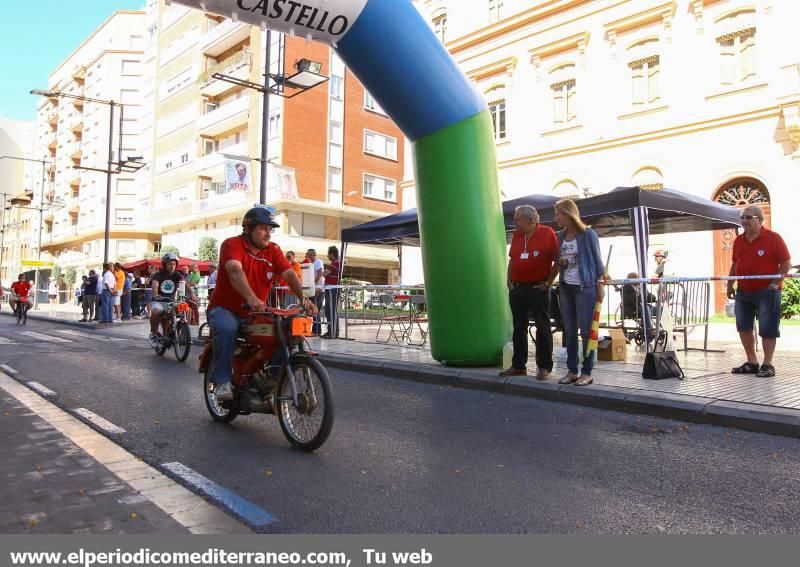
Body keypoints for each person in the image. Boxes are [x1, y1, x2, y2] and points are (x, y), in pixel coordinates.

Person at [207, 207, 315, 402]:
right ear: (248, 228)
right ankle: (222, 381)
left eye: (270, 229)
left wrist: (304, 298)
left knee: (285, 332)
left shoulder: (273, 250)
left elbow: (289, 273)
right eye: (263, 228)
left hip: (255, 312)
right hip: (225, 309)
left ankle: (270, 380)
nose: (268, 233)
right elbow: (234, 270)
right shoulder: (232, 245)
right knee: (226, 328)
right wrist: (251, 298)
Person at [727, 205, 792, 378]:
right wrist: (729, 284)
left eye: (748, 217)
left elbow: (786, 264)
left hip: (767, 292)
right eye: (742, 217)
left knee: (768, 328)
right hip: (743, 292)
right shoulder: (739, 240)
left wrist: (774, 284)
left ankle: (768, 364)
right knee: (743, 326)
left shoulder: (773, 238)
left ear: (759, 219)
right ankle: (752, 362)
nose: (744, 221)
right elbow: (735, 264)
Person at [547, 199, 605, 387]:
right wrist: (559, 266)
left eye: (558, 214)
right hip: (566, 287)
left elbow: (598, 261)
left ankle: (587, 372)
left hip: (585, 287)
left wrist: (600, 284)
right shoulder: (560, 236)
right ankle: (572, 370)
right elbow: (557, 261)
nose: (555, 217)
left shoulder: (588, 234)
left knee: (587, 331)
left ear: (568, 214)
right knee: (569, 330)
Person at [499, 205, 559, 380]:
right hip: (518, 288)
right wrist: (509, 280)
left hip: (538, 287)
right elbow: (513, 259)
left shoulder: (548, 233)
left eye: (518, 219)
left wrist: (548, 283)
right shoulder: (517, 235)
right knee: (519, 328)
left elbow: (557, 261)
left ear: (531, 220)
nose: (514, 222)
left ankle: (544, 366)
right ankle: (519, 365)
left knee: (543, 327)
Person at [148, 253, 185, 346]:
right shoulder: (158, 275)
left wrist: (192, 294)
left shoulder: (177, 275)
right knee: (156, 311)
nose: (172, 266)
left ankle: (178, 331)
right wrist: (156, 294)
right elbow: (155, 285)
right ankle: (154, 334)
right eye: (169, 264)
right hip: (159, 301)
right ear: (164, 265)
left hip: (171, 301)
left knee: (184, 308)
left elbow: (184, 284)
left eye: (174, 264)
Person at [322, 246, 342, 339]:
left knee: (331, 310)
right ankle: (331, 331)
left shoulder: (335, 263)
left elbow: (324, 273)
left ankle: (333, 332)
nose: (327, 256)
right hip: (330, 290)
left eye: (328, 254)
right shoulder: (336, 263)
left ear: (332, 254)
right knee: (329, 310)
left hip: (332, 290)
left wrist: (324, 272)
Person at [305, 249, 325, 335]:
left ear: (313, 255)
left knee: (316, 309)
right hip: (313, 289)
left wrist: (313, 284)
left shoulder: (318, 262)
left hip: (318, 289)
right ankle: (315, 330)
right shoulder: (311, 264)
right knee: (313, 310)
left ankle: (316, 330)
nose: (307, 256)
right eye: (306, 254)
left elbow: (320, 273)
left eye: (308, 254)